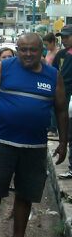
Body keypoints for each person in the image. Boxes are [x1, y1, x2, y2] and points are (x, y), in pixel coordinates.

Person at [0, 32, 68, 237]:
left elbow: (61, 109)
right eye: (23, 49)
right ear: (17, 49)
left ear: (41, 50)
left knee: (26, 193)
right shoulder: (5, 68)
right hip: (2, 143)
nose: (27, 54)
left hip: (34, 147)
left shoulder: (53, 76)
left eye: (33, 49)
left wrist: (63, 142)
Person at [54, 25, 72, 178]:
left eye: (67, 36)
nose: (64, 40)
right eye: (63, 37)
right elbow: (53, 72)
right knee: (67, 132)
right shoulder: (61, 54)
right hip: (63, 99)